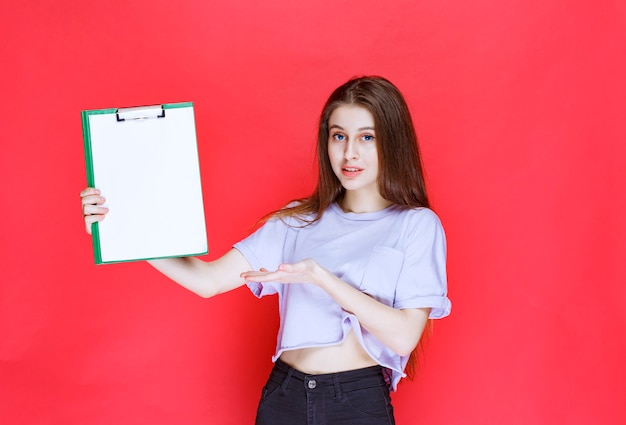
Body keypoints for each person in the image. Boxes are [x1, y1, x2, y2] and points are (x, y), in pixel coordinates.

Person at [80, 76, 451, 425]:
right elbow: (207, 280)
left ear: (392, 141)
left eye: (366, 137)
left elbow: (404, 336)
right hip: (284, 396)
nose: (349, 153)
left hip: (355, 401)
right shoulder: (297, 220)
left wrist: (318, 277)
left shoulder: (416, 225)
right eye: (339, 136)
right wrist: (122, 224)